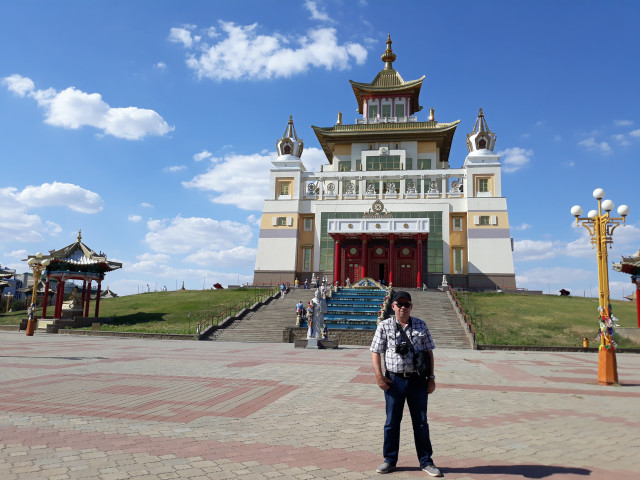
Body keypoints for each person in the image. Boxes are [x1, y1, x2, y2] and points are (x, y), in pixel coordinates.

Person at [370, 291, 441, 477]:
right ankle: (390, 460)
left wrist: (431, 377)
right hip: (394, 381)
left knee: (421, 422)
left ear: (411, 306)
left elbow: (429, 353)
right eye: (399, 304)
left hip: (418, 380)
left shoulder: (420, 325)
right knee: (392, 422)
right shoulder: (384, 326)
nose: (403, 307)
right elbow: (376, 351)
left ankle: (426, 461)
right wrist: (379, 376)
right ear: (392, 306)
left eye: (406, 304)